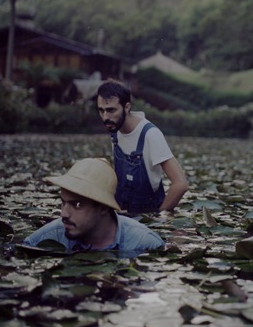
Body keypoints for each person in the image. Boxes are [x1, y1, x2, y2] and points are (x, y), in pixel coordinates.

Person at [22, 158, 165, 254]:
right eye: (63, 202)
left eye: (76, 205)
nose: (63, 214)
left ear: (103, 207)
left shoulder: (145, 243)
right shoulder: (46, 237)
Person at [96, 79, 189, 215]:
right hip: (122, 214)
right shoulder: (115, 129)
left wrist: (159, 217)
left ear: (127, 107)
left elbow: (181, 184)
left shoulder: (150, 134)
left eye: (111, 110)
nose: (105, 117)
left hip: (148, 218)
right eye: (101, 110)